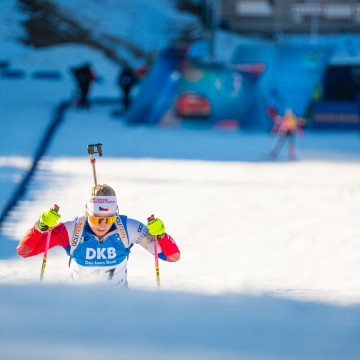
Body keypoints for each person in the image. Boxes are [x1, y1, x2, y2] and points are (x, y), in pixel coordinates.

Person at [17, 184, 180, 288]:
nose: (103, 224)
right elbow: (25, 251)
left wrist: (162, 235)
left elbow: (172, 256)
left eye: (109, 218)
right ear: (86, 213)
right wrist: (40, 227)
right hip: (78, 302)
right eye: (96, 218)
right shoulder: (71, 230)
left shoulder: (129, 228)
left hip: (118, 303)